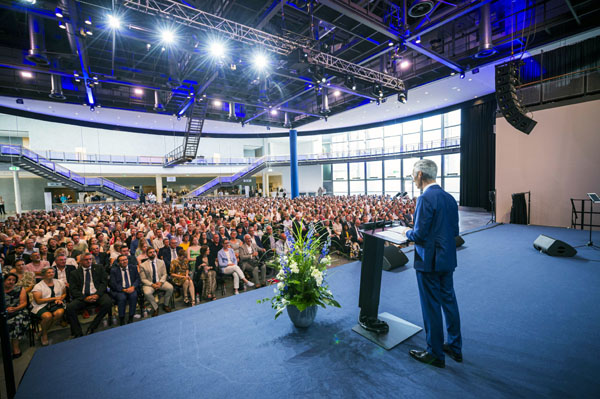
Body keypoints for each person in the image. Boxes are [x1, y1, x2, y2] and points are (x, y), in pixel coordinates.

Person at [405, 159, 461, 368]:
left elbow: (419, 234)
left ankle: (435, 353)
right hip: (447, 259)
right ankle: (455, 347)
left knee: (431, 307)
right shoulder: (449, 198)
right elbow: (454, 232)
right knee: (449, 302)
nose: (413, 179)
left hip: (429, 261)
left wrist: (406, 232)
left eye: (413, 175)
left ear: (420, 175)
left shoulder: (425, 198)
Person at [65, 253, 113, 338]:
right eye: (86, 259)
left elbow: (104, 282)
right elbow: (73, 289)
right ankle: (78, 332)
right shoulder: (74, 273)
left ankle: (93, 326)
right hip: (83, 297)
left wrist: (98, 294)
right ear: (81, 261)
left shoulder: (99, 268)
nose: (89, 261)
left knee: (108, 302)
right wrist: (84, 298)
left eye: (90, 259)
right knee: (70, 307)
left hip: (97, 294)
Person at [31, 267, 66, 346]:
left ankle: (43, 331)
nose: (51, 274)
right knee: (47, 316)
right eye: (49, 272)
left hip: (56, 303)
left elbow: (64, 293)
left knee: (60, 313)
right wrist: (54, 298)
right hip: (41, 305)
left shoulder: (59, 282)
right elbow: (38, 301)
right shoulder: (38, 286)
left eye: (52, 272)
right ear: (43, 275)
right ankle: (44, 335)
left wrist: (60, 299)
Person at [140, 247, 173, 316]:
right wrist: (152, 284)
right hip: (149, 284)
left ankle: (165, 305)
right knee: (147, 293)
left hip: (160, 282)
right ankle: (156, 307)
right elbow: (143, 279)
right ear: (147, 254)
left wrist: (160, 282)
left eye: (153, 252)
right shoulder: (143, 265)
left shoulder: (161, 262)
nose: (152, 253)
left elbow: (165, 274)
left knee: (170, 288)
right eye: (150, 252)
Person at [109, 254, 140, 325]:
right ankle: (121, 318)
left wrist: (133, 287)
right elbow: (113, 283)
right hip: (120, 290)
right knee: (122, 298)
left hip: (131, 288)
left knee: (133, 296)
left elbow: (138, 279)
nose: (124, 261)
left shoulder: (133, 267)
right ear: (118, 262)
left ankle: (131, 316)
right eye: (122, 260)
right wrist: (123, 290)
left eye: (126, 259)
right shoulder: (114, 270)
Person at [4, 272, 28, 357]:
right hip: (4, 312)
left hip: (19, 310)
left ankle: (15, 348)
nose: (11, 282)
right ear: (4, 280)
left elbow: (23, 303)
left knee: (16, 322)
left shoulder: (20, 289)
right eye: (9, 280)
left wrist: (15, 309)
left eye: (13, 280)